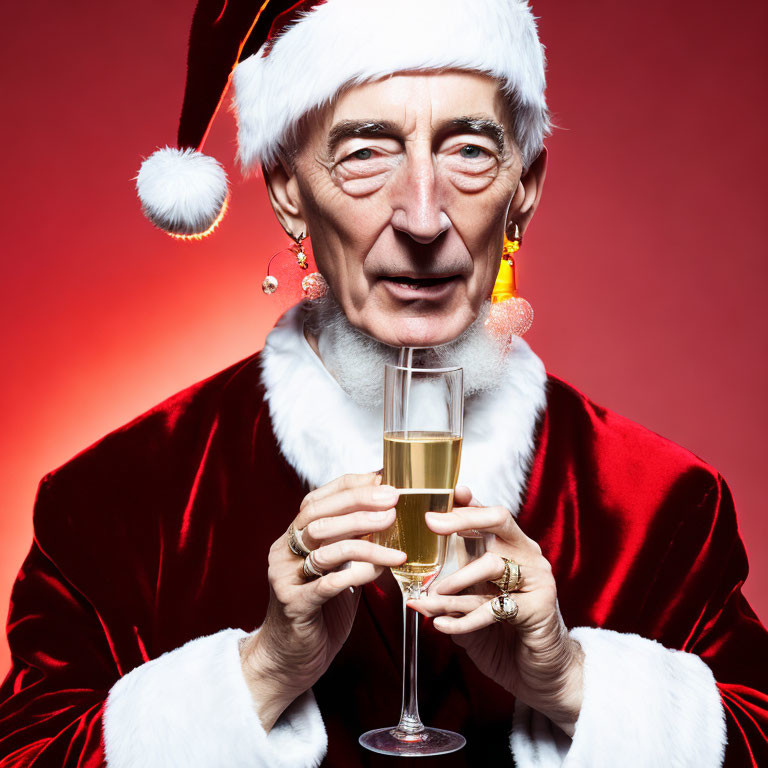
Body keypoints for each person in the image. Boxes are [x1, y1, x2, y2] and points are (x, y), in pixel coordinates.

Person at [0, 0, 766, 766]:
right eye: (366, 152)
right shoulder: (113, 505)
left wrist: (571, 682)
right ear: (288, 191)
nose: (425, 216)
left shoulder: (666, 508)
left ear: (523, 186)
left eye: (469, 149)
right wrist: (262, 672)